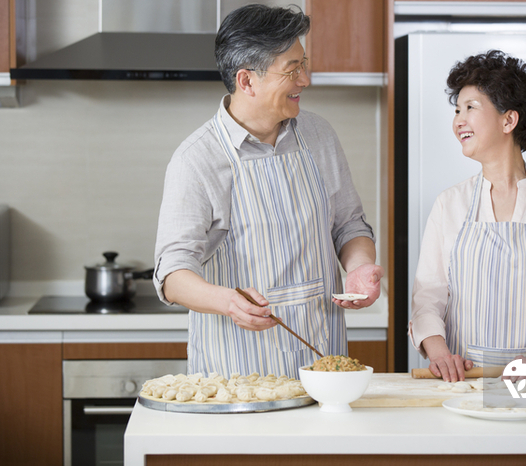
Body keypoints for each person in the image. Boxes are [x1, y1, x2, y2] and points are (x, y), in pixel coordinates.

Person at [153, 4, 383, 379]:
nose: (305, 79)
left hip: (323, 368)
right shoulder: (196, 160)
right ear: (247, 81)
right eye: (292, 70)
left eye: (304, 64)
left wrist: (358, 268)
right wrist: (228, 302)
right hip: (239, 377)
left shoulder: (319, 135)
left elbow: (350, 226)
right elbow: (172, 274)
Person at [409, 50, 526, 382]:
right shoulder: (449, 204)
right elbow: (428, 297)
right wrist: (439, 355)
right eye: (457, 110)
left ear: (509, 120)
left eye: (471, 108)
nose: (458, 120)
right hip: (466, 380)